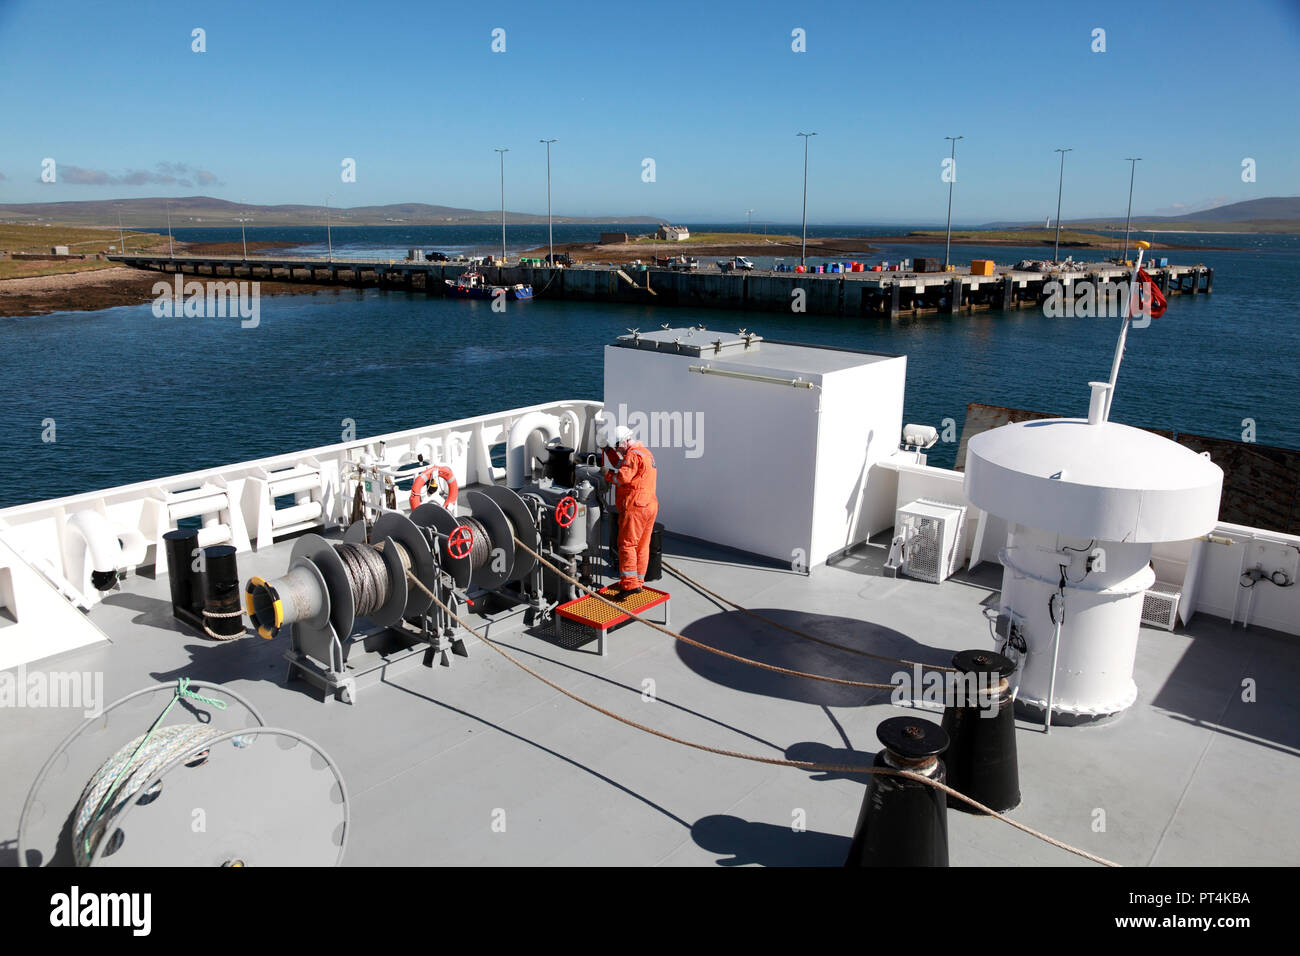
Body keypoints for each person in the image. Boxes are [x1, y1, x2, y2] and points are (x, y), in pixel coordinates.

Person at [601, 424, 658, 595]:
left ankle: (629, 585)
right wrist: (607, 450)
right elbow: (621, 463)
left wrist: (606, 474)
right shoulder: (644, 453)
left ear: (626, 441)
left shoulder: (633, 455)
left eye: (618, 446)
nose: (618, 449)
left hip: (636, 507)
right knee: (642, 545)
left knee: (626, 545)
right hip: (650, 505)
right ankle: (639, 581)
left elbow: (623, 477)